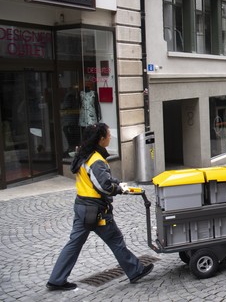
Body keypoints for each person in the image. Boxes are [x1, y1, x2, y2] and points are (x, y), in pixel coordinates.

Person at [46, 123, 153, 291]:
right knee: (116, 240)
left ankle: (56, 279)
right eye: (108, 135)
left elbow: (98, 178)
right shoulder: (96, 159)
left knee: (73, 243)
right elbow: (103, 186)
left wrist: (116, 182)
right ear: (101, 139)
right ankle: (135, 270)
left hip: (82, 206)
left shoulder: (83, 153)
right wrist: (119, 189)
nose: (110, 137)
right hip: (96, 210)